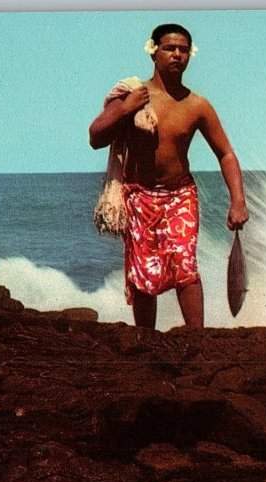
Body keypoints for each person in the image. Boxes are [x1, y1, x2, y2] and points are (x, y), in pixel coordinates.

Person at [89, 23, 249, 329]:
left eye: (183, 49)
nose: (177, 54)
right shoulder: (131, 93)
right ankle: (145, 342)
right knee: (142, 273)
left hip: (180, 195)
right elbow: (95, 137)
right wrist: (124, 110)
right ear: (153, 51)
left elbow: (226, 153)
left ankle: (197, 339)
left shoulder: (197, 105)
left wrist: (238, 200)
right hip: (138, 196)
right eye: (169, 48)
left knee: (184, 265)